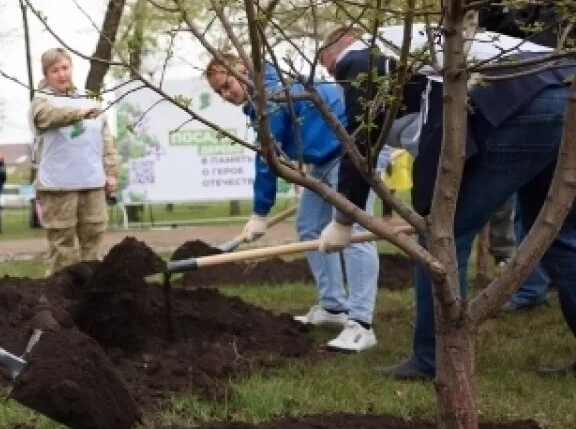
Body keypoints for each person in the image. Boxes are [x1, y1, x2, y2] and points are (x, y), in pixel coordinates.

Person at [316, 24, 576, 379]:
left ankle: (432, 360)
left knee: (442, 238)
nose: (335, 77)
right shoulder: (414, 44)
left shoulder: (360, 56)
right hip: (565, 86)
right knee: (557, 235)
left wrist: (343, 219)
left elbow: (363, 139)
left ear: (340, 47)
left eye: (329, 67)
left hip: (522, 100)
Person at [203, 53, 380, 353]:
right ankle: (333, 307)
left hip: (351, 150)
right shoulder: (264, 93)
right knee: (309, 226)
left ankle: (361, 324)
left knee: (354, 232)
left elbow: (267, 159)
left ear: (242, 69)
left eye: (227, 84)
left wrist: (260, 212)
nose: (225, 95)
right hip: (323, 161)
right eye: (219, 92)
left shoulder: (271, 95)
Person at [31, 48, 119, 275]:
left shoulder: (88, 100)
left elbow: (105, 140)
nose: (61, 74)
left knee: (94, 241)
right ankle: (59, 295)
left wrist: (111, 172)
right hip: (58, 186)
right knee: (63, 248)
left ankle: (90, 292)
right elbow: (46, 119)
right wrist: (77, 114)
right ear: (46, 74)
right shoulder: (41, 102)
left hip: (92, 183)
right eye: (55, 70)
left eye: (65, 68)